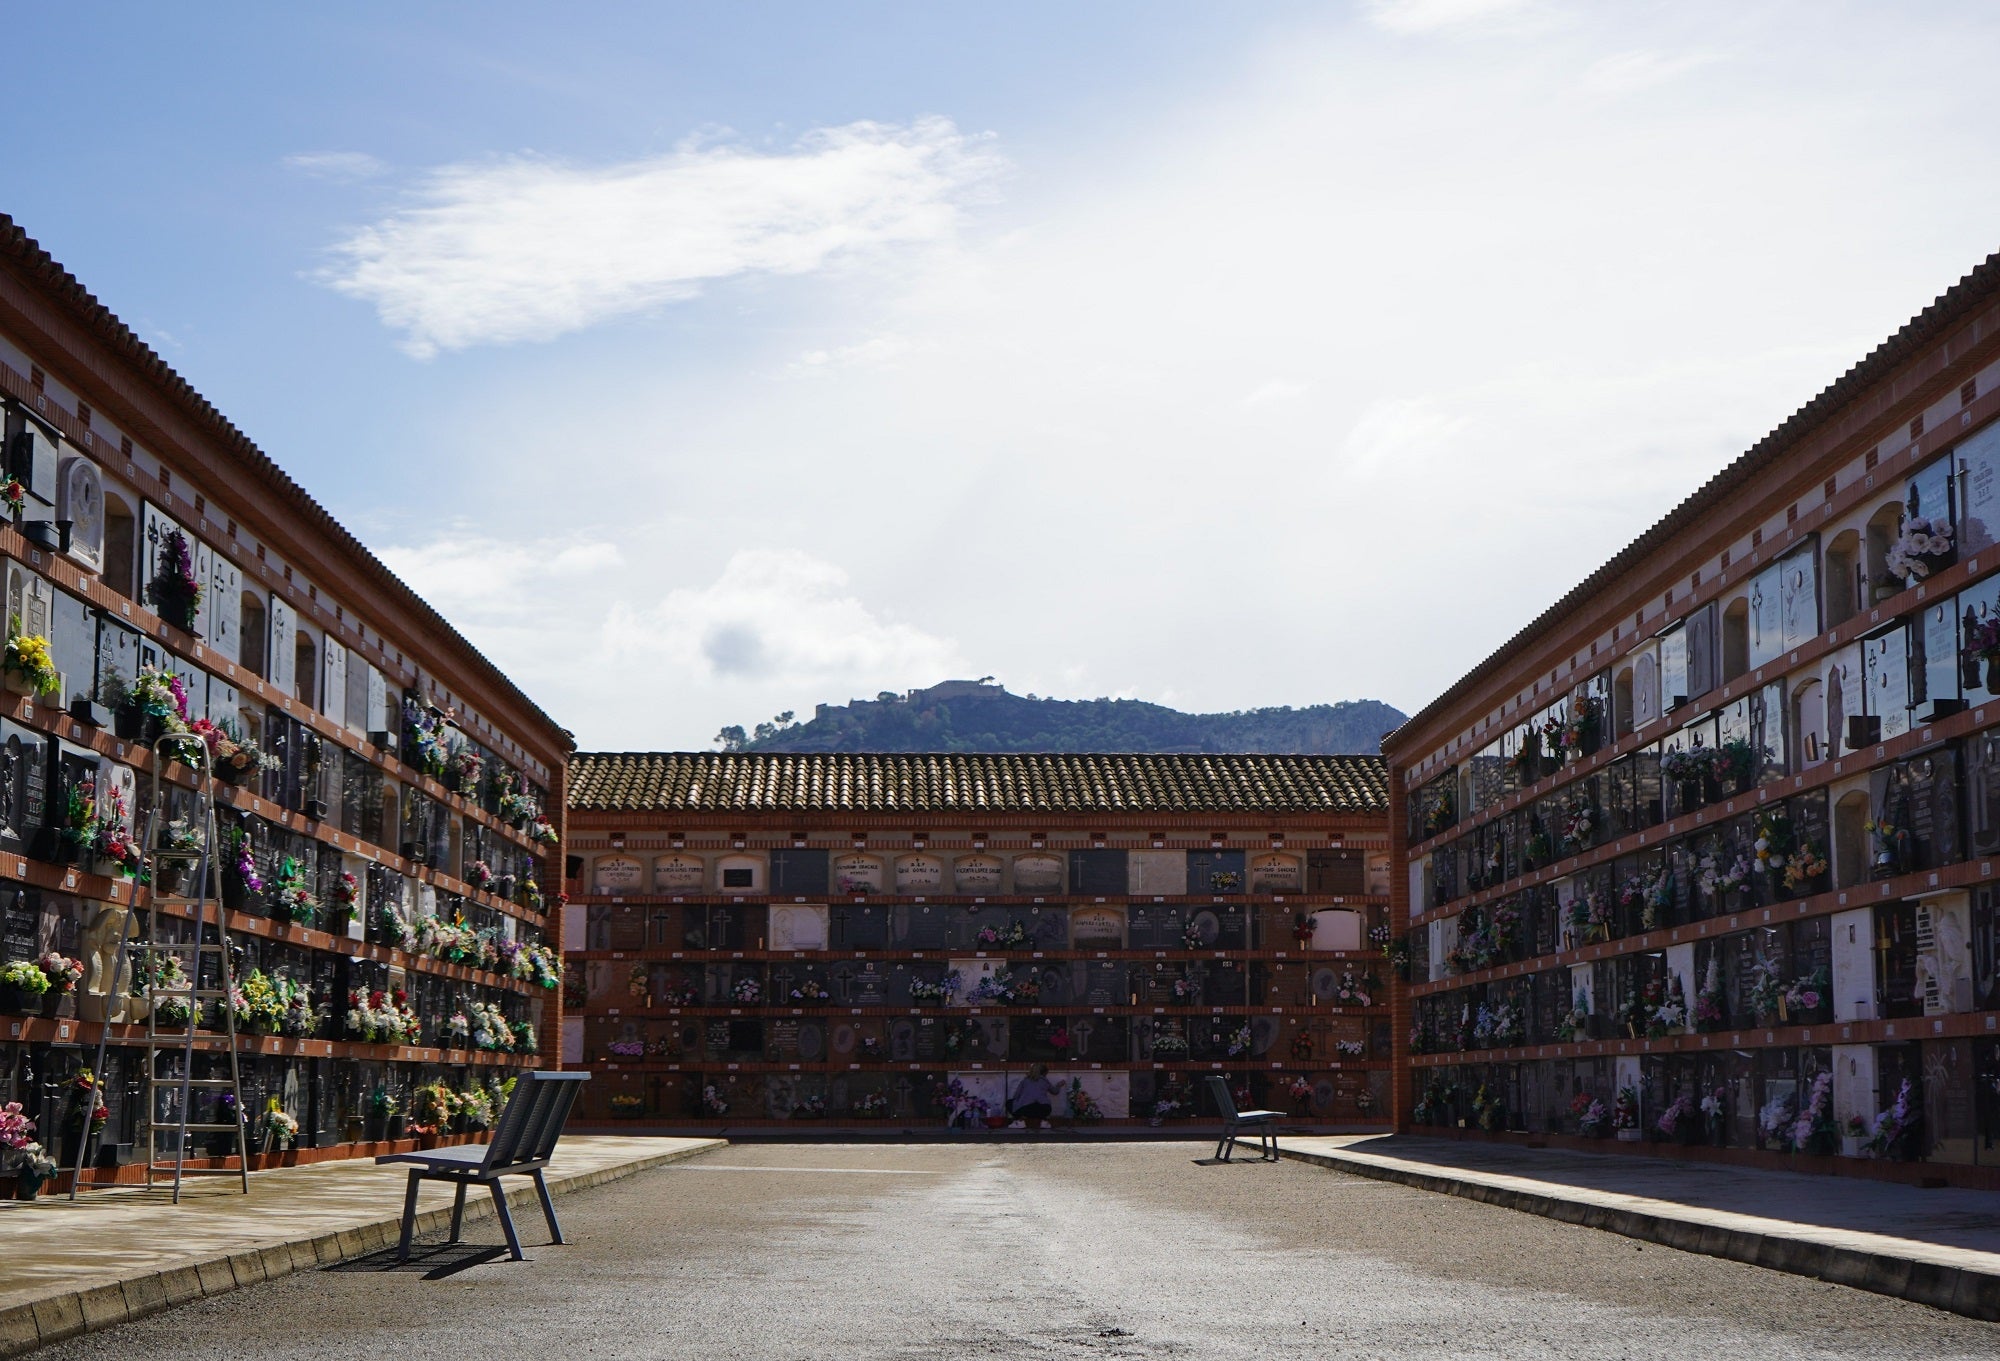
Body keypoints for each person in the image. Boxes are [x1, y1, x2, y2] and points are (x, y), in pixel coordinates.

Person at [1008, 1064, 1057, 1129]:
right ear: (1044, 1073)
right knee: (1044, 1104)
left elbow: (1016, 1096)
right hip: (1044, 1109)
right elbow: (1055, 1092)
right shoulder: (1045, 1081)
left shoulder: (1025, 1081)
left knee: (1009, 1103)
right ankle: (1044, 1122)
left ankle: (1020, 1121)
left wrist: (1021, 1100)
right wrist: (1059, 1085)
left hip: (1026, 1110)